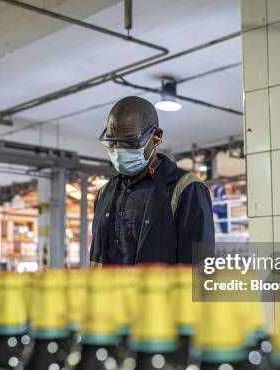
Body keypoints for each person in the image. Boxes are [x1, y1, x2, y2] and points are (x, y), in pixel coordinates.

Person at [90, 96, 215, 266]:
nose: (118, 150)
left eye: (130, 141)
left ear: (156, 137)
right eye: (112, 141)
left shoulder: (186, 190)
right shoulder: (105, 193)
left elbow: (199, 269)